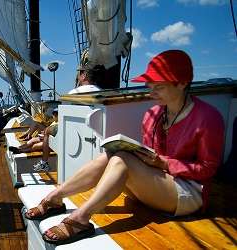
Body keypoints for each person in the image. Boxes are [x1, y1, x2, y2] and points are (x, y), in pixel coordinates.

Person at [24, 50, 224, 245]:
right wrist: (146, 156)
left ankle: (80, 219)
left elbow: (208, 168)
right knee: (111, 154)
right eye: (150, 84)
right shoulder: (152, 115)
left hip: (188, 193)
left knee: (122, 160)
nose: (151, 91)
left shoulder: (207, 118)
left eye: (159, 86)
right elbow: (150, 157)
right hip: (157, 185)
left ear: (182, 83)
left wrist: (162, 162)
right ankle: (55, 198)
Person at [32, 66, 103, 171]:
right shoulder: (100, 91)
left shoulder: (74, 93)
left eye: (79, 74)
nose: (78, 76)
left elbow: (63, 113)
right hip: (93, 133)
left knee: (47, 131)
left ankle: (44, 162)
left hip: (74, 132)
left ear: (84, 76)